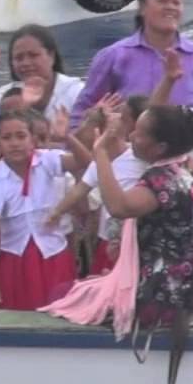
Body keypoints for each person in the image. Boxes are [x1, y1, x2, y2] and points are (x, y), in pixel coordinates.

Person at [92, 104, 193, 384]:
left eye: (139, 133)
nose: (131, 136)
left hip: (163, 297)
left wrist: (100, 153)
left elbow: (119, 206)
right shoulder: (188, 167)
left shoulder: (159, 180)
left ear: (160, 147)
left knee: (74, 300)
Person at [0, 110, 90, 311]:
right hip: (15, 261)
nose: (15, 143)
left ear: (33, 140)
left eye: (21, 136)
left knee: (59, 313)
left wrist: (67, 137)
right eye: (6, 138)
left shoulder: (47, 160)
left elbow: (85, 161)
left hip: (54, 255)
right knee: (18, 314)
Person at [70, 0, 193, 126]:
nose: (171, 7)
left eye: (176, 2)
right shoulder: (114, 56)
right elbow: (81, 112)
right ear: (142, 8)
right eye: (162, 1)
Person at [50, 95, 150, 275]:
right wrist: (57, 212)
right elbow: (79, 191)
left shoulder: (138, 157)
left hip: (136, 237)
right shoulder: (99, 162)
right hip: (107, 237)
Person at [0, 24, 83, 127]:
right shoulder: (2, 98)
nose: (25, 63)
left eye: (33, 55)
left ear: (51, 56)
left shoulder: (77, 93)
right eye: (19, 58)